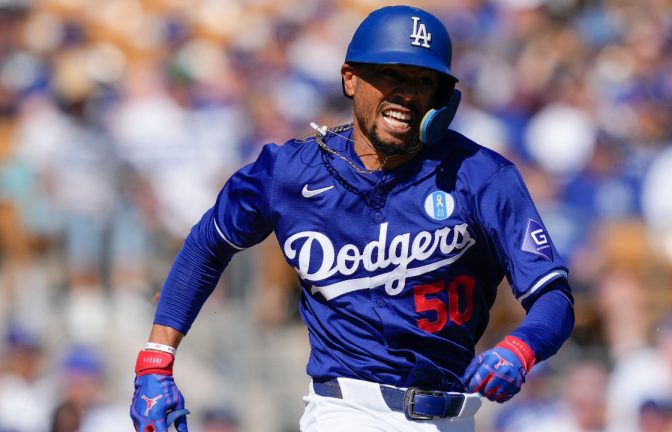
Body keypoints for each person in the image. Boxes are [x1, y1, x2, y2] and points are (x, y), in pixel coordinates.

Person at [130, 5, 574, 432]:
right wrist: (156, 358)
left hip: (454, 416)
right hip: (347, 411)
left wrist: (521, 349)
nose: (406, 92)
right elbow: (208, 244)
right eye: (390, 74)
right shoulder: (288, 173)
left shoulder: (479, 175)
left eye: (423, 80)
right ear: (350, 78)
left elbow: (553, 296)